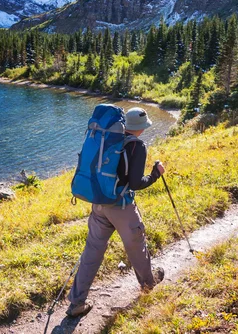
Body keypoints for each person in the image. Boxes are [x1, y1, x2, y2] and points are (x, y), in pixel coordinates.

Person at [66, 107, 166, 317]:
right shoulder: (136, 146)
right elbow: (136, 183)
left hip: (99, 203)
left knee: (92, 252)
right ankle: (149, 285)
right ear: (141, 127)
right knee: (136, 247)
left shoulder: (108, 139)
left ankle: (76, 302)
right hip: (122, 208)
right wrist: (156, 174)